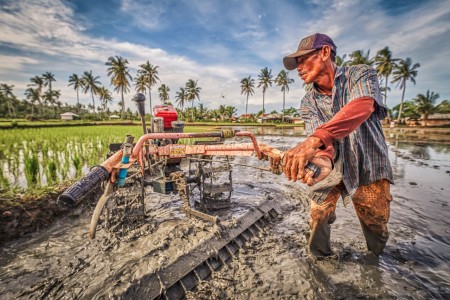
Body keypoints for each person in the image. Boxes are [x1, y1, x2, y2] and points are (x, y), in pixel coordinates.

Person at [282, 33, 394, 257]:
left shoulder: (360, 74)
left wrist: (314, 141)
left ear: (324, 52)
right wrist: (322, 159)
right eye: (297, 65)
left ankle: (375, 259)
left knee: (376, 223)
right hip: (332, 168)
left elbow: (362, 106)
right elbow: (323, 143)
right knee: (318, 213)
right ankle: (320, 261)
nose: (299, 68)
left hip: (368, 164)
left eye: (303, 60)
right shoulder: (308, 102)